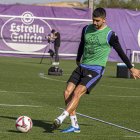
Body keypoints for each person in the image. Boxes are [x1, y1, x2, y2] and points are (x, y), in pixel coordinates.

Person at [51, 7, 140, 133]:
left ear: (104, 20)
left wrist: (131, 68)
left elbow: (120, 52)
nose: (94, 23)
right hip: (82, 66)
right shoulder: (86, 29)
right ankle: (74, 125)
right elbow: (82, 44)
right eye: (93, 20)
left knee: (77, 93)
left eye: (97, 21)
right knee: (67, 93)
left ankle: (61, 118)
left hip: (95, 70)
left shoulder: (110, 34)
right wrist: (78, 58)